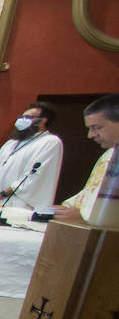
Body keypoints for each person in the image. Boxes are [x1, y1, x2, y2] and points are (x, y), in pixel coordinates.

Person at [0, 102, 63, 211]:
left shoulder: (50, 142)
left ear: (43, 120)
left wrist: (1, 194)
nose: (22, 120)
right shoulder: (11, 143)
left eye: (28, 117)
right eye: (22, 116)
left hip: (17, 204)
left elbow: (35, 176)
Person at [55, 93, 119, 223]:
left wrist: (84, 215)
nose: (90, 135)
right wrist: (67, 208)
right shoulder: (109, 154)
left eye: (96, 127)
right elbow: (91, 191)